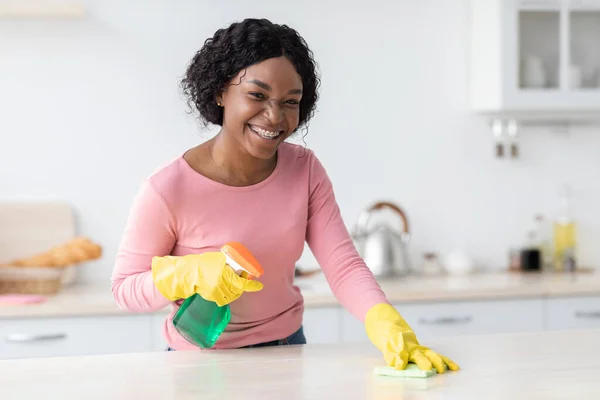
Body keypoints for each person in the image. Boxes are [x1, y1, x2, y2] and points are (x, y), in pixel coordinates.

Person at [111, 18, 459, 373]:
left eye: (289, 102)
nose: (274, 117)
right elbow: (124, 288)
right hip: (199, 365)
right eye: (257, 95)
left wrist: (386, 324)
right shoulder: (167, 188)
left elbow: (343, 267)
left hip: (288, 352)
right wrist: (184, 273)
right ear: (220, 91)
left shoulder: (304, 170)